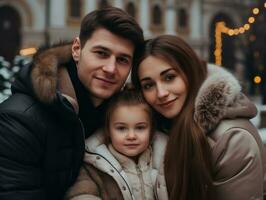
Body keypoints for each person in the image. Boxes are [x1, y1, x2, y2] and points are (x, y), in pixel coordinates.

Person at [0, 7, 144, 200]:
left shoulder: (119, 116)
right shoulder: (19, 121)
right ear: (77, 49)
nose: (111, 69)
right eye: (101, 53)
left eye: (122, 60)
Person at [131, 35, 266, 200]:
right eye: (148, 85)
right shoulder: (158, 127)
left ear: (189, 72)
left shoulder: (232, 139)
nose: (161, 93)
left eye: (169, 77)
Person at [64, 86, 168, 200]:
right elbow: (81, 195)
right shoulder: (92, 163)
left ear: (152, 130)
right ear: (108, 131)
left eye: (140, 128)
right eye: (121, 128)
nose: (131, 136)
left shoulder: (166, 157)